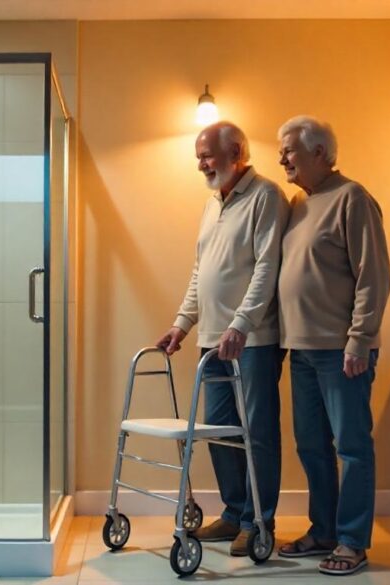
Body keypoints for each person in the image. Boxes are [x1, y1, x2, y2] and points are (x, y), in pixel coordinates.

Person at [157, 121, 289, 557]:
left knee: (257, 432)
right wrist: (182, 324)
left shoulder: (266, 196)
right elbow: (202, 272)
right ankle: (233, 514)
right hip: (212, 341)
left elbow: (267, 267)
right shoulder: (212, 204)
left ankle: (258, 521)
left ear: (235, 150)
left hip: (251, 340)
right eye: (198, 157)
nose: (201, 165)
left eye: (207, 155)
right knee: (218, 432)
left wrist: (241, 324)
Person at [275, 115, 390, 576]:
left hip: (342, 350)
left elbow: (374, 276)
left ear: (320, 152)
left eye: (289, 149)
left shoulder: (353, 198)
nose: (281, 157)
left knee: (352, 447)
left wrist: (359, 340)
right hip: (300, 349)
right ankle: (323, 529)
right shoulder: (300, 203)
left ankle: (352, 541)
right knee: (311, 446)